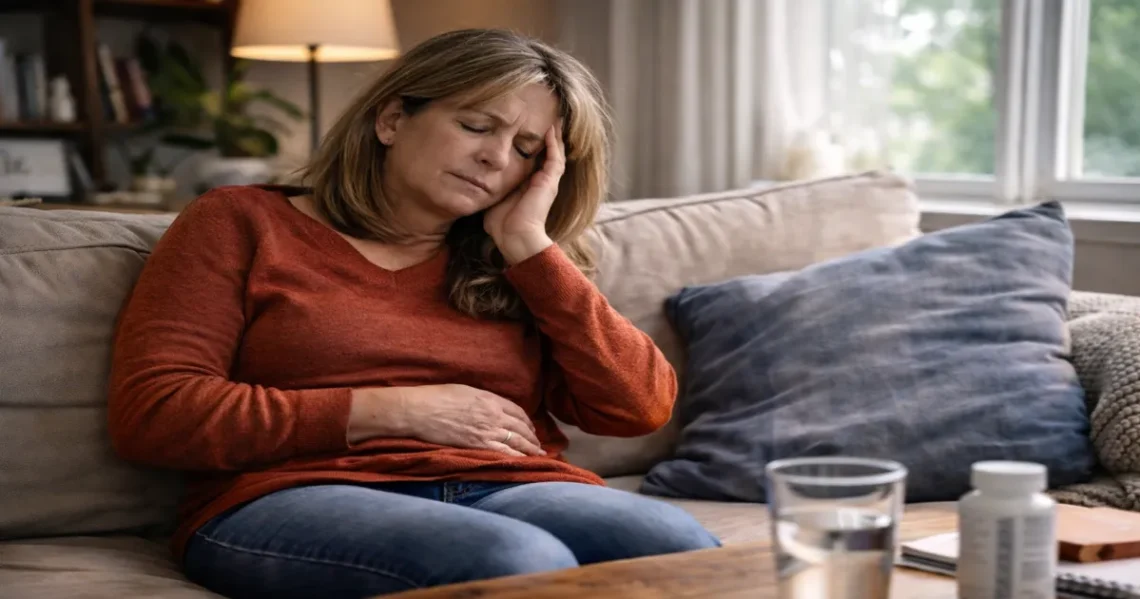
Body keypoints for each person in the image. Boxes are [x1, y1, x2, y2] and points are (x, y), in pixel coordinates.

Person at [107, 28, 719, 599]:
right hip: (294, 494)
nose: (497, 159)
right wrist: (389, 409)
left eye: (526, 149)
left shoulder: (517, 262)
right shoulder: (239, 222)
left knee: (677, 546)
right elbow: (156, 412)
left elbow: (638, 406)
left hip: (509, 485)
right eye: (477, 126)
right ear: (394, 118)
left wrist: (532, 248)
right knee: (515, 559)